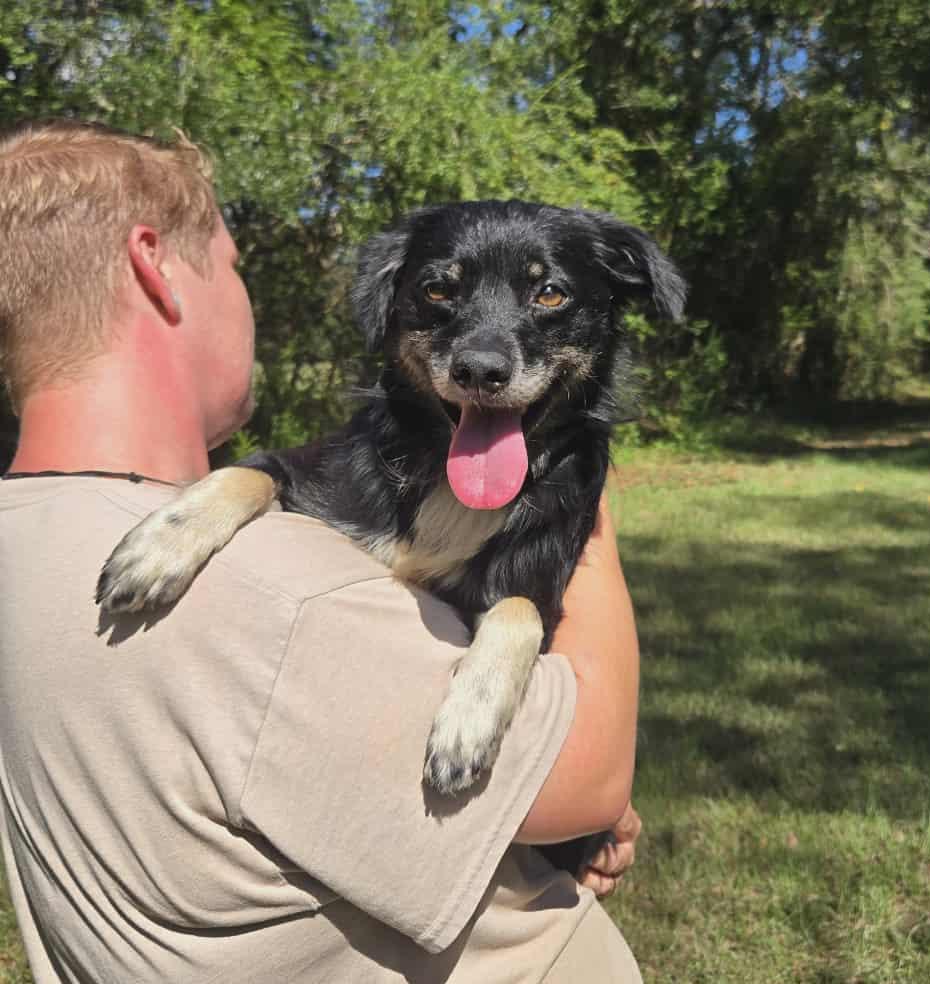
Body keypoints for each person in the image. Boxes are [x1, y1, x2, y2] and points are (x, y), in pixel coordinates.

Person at [0, 119, 644, 983]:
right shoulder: (288, 603)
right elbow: (588, 783)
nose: (487, 354)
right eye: (233, 265)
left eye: (547, 297)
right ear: (155, 267)